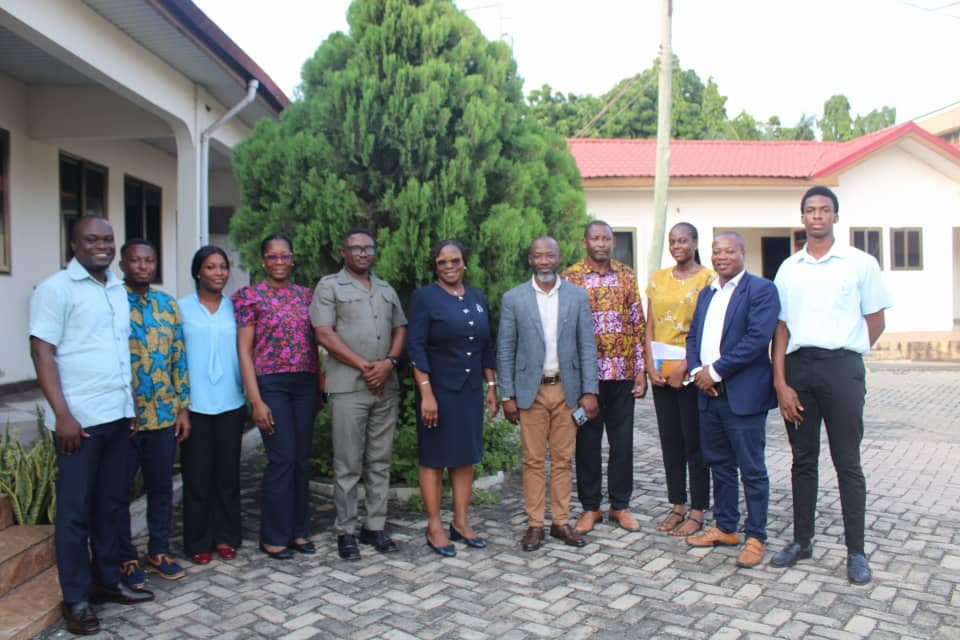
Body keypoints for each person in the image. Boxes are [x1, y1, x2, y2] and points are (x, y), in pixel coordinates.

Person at [29, 216, 153, 637]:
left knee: (110, 506)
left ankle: (106, 581)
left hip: (117, 416)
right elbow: (42, 352)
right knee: (74, 514)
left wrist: (130, 405)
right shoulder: (56, 289)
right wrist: (62, 414)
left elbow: (118, 352)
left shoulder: (115, 288)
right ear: (74, 244)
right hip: (78, 423)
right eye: (91, 239)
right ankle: (76, 600)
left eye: (108, 239)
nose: (102, 245)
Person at [770, 186, 892, 585]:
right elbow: (781, 328)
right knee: (803, 460)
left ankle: (856, 552)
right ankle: (801, 541)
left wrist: (847, 352)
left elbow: (876, 319)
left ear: (836, 216)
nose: (818, 215)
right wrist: (781, 383)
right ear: (802, 217)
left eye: (825, 209)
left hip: (842, 369)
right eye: (811, 210)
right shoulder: (789, 268)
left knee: (847, 462)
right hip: (799, 371)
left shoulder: (859, 263)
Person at [497, 236, 599, 552]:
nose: (544, 261)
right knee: (533, 459)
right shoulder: (514, 298)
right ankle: (535, 524)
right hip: (531, 392)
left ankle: (561, 522)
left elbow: (587, 346)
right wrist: (507, 395)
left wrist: (590, 390)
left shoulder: (577, 296)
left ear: (558, 257)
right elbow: (505, 349)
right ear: (530, 259)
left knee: (563, 459)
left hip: (567, 390)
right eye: (538, 256)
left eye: (549, 255)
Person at [685, 232, 779, 569]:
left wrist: (716, 371)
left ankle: (756, 536)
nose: (722, 256)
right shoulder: (707, 293)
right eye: (716, 251)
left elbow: (757, 339)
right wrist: (698, 372)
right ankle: (725, 527)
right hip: (709, 395)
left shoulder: (761, 290)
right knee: (719, 465)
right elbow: (693, 336)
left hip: (743, 395)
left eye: (729, 251)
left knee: (751, 469)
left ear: (742, 253)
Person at [311, 229, 407, 561]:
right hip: (348, 387)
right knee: (348, 463)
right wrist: (366, 367)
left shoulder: (385, 288)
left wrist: (389, 363)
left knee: (380, 461)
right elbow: (324, 333)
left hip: (385, 387)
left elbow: (400, 328)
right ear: (344, 252)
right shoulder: (329, 286)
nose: (363, 253)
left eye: (368, 247)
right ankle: (347, 530)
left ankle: (374, 526)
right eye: (356, 248)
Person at [407, 239, 498, 557]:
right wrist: (426, 392)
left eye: (455, 260)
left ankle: (460, 522)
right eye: (442, 262)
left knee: (464, 456)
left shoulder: (476, 297)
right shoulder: (424, 297)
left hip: (470, 390)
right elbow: (416, 346)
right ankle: (434, 526)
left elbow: (486, 345)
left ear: (464, 263)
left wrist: (491, 386)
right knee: (434, 457)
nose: (449, 267)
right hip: (438, 391)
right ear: (435, 266)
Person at [233, 234, 320, 560]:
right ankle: (273, 536)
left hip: (306, 384)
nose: (279, 261)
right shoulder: (250, 297)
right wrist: (256, 400)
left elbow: (317, 343)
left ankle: (298, 531)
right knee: (282, 458)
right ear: (263, 261)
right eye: (273, 256)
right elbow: (244, 351)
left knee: (300, 459)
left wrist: (321, 386)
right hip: (272, 385)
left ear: (293, 259)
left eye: (285, 256)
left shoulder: (306, 296)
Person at [562, 221, 647, 534]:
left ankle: (620, 506)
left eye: (606, 238)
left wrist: (641, 370)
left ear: (613, 243)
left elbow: (638, 324)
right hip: (587, 380)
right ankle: (590, 508)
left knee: (622, 444)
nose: (601, 243)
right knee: (587, 444)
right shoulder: (570, 278)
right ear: (585, 243)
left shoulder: (627, 275)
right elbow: (564, 330)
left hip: (622, 375)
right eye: (595, 238)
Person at [117, 239, 190, 585]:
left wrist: (182, 408)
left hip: (162, 415)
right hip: (123, 418)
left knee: (161, 488)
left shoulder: (167, 305)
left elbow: (178, 357)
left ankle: (158, 551)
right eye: (136, 260)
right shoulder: (112, 302)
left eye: (149, 260)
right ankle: (125, 557)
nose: (143, 266)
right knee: (118, 492)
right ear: (123, 264)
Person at [645, 222, 715, 537]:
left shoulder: (708, 279)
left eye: (683, 241)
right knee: (670, 442)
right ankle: (677, 504)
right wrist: (649, 365)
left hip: (691, 374)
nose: (677, 246)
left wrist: (686, 366)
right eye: (672, 241)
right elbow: (650, 324)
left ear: (695, 243)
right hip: (661, 373)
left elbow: (708, 328)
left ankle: (698, 510)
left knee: (694, 443)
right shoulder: (658, 279)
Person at [179, 246, 247, 565]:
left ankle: (226, 536)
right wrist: (180, 406)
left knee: (227, 476)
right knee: (197, 477)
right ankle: (198, 540)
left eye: (223, 267)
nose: (219, 273)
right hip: (195, 405)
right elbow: (175, 358)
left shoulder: (236, 309)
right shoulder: (181, 309)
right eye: (211, 267)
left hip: (231, 402)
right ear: (198, 272)